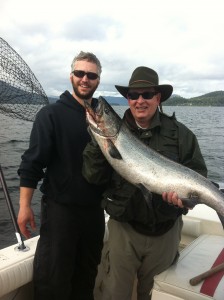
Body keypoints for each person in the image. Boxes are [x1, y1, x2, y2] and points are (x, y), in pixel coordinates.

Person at [82, 66, 208, 300]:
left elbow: (198, 174)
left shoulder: (183, 135)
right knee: (113, 294)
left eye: (147, 94)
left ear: (158, 98)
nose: (140, 101)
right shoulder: (109, 135)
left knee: (154, 296)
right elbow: (93, 177)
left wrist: (183, 201)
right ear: (127, 99)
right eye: (133, 95)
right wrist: (97, 140)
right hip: (123, 231)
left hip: (165, 233)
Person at [17, 51, 105, 300]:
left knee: (86, 278)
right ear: (71, 76)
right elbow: (32, 163)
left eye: (91, 75)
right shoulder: (51, 115)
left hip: (95, 213)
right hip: (61, 213)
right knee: (53, 282)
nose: (85, 79)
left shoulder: (103, 117)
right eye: (80, 73)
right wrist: (25, 206)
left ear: (98, 80)